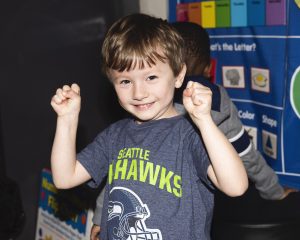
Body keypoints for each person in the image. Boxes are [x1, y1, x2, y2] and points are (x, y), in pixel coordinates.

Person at [50, 13, 248, 240]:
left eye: (151, 77)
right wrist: (67, 120)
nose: (139, 93)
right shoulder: (114, 136)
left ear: (178, 75)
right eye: (125, 81)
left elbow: (236, 186)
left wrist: (204, 121)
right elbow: (64, 178)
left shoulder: (190, 135)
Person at [170, 21, 295, 201]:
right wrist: (274, 191)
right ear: (208, 68)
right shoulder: (218, 100)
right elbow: (246, 154)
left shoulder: (153, 99)